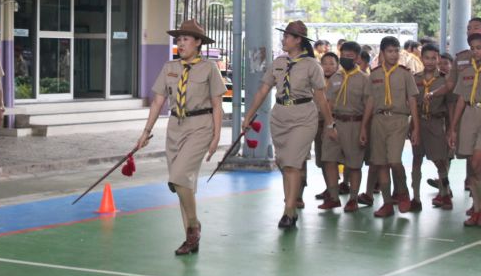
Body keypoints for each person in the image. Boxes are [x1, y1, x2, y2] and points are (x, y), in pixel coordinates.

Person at [136, 19, 225, 254]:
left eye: (186, 39)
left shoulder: (209, 68)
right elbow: (157, 101)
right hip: (175, 126)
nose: (180, 43)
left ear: (198, 43)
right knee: (183, 184)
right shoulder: (170, 68)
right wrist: (146, 132)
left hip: (200, 126)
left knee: (178, 177)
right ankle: (190, 237)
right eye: (178, 39)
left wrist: (216, 137)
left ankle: (193, 226)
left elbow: (218, 105)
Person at [242, 21, 336, 229]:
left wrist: (330, 124)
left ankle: (287, 210)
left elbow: (321, 98)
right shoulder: (278, 62)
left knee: (293, 163)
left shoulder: (312, 65)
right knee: (285, 164)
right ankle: (291, 208)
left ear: (298, 40)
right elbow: (263, 90)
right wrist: (248, 115)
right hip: (280, 116)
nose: (283, 40)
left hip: (303, 117)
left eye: (287, 37)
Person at [360, 36, 420, 217]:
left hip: (399, 119)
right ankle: (387, 203)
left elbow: (412, 101)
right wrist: (364, 126)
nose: (394, 55)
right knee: (381, 163)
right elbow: (370, 100)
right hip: (378, 120)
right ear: (382, 53)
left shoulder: (405, 73)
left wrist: (415, 127)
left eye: (396, 51)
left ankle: (402, 191)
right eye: (390, 51)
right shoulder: (375, 74)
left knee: (394, 160)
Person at [444, 18, 481, 207]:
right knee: (472, 165)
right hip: (468, 117)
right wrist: (452, 128)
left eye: (479, 48)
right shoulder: (466, 69)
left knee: (478, 162)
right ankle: (478, 208)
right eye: (473, 48)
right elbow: (460, 99)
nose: (475, 51)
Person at [319, 41, 370, 212]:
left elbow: (368, 106)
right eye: (343, 56)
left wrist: (364, 129)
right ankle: (333, 197)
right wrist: (329, 124)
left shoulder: (364, 79)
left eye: (350, 56)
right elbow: (328, 102)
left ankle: (353, 198)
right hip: (335, 123)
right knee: (329, 160)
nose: (346, 59)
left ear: (357, 58)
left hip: (354, 124)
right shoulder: (335, 77)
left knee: (354, 164)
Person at [410, 44, 451, 211]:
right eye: (427, 58)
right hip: (418, 122)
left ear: (438, 59)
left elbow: (450, 106)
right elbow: (411, 103)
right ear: (421, 58)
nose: (430, 61)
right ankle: (416, 198)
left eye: (434, 58)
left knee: (440, 161)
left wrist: (449, 129)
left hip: (436, 123)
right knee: (416, 160)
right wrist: (412, 126)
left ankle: (445, 193)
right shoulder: (414, 78)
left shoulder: (444, 79)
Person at [313, 52, 339, 202]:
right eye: (325, 63)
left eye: (332, 63)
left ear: (337, 65)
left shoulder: (341, 80)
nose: (328, 67)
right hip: (318, 124)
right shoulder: (316, 82)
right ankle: (329, 188)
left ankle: (337, 188)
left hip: (334, 124)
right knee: (323, 159)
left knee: (333, 159)